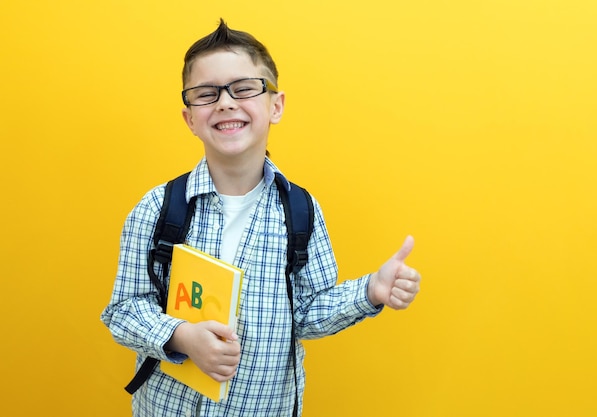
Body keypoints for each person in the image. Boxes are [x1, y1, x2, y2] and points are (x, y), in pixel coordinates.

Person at [101, 18, 421, 417]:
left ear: (276, 106)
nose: (226, 102)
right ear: (190, 119)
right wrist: (182, 336)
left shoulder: (300, 211)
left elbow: (306, 314)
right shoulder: (158, 207)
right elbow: (124, 311)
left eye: (244, 88)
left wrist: (372, 290)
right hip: (168, 408)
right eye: (206, 94)